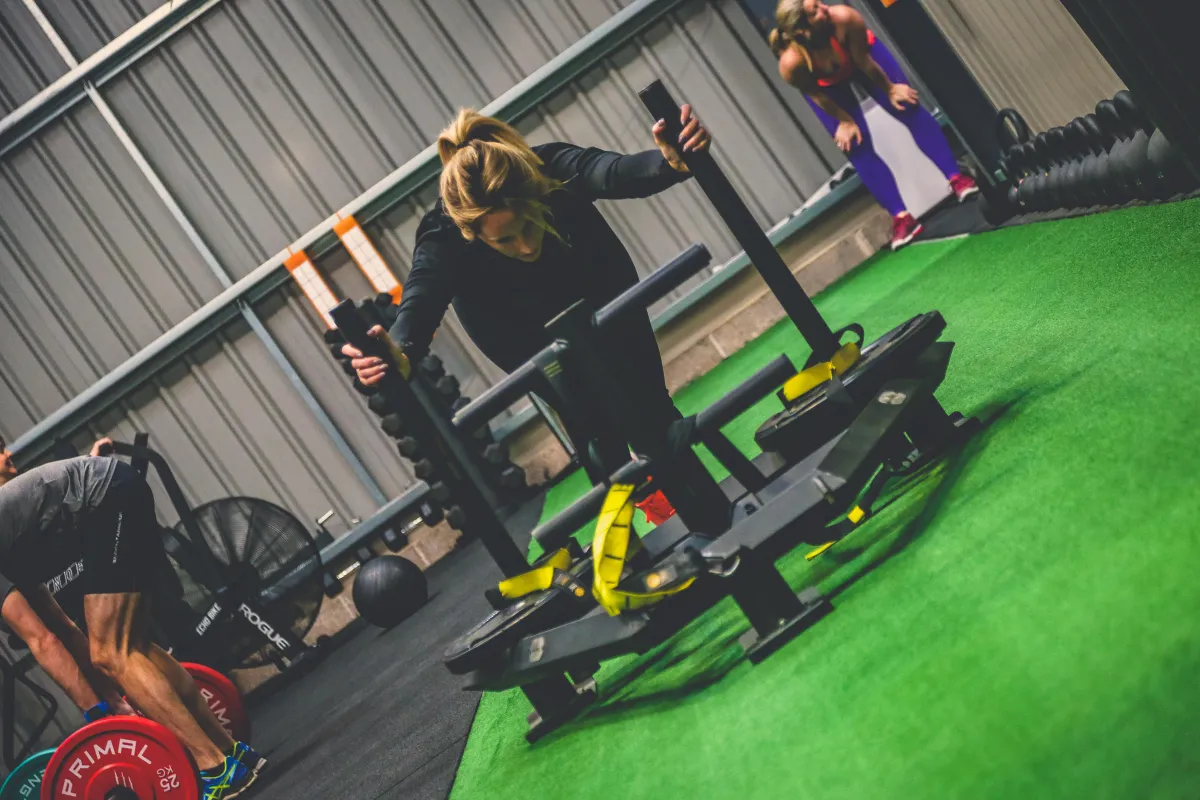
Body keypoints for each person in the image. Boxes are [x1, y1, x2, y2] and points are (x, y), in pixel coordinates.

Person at [342, 104, 712, 508]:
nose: (524, 246)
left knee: (649, 401)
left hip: (596, 289)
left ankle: (703, 506)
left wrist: (669, 162)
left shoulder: (548, 170)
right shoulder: (444, 235)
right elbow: (419, 300)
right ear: (471, 231)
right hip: (518, 331)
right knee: (595, 427)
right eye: (504, 240)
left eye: (527, 225)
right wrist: (398, 351)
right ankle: (645, 523)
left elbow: (612, 171)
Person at [0, 435, 263, 800]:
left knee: (111, 653)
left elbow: (42, 641)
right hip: (118, 490)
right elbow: (60, 627)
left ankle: (215, 767)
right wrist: (106, 703)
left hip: (106, 501)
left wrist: (96, 714)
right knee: (134, 646)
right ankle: (230, 751)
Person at [770, 0, 979, 250]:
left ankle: (958, 178)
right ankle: (902, 218)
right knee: (855, 144)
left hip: (863, 59)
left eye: (819, 2)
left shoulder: (845, 19)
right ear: (802, 31)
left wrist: (890, 90)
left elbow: (864, 62)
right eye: (815, 11)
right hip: (828, 88)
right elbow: (817, 96)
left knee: (906, 106)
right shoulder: (792, 64)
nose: (825, 7)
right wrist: (845, 121)